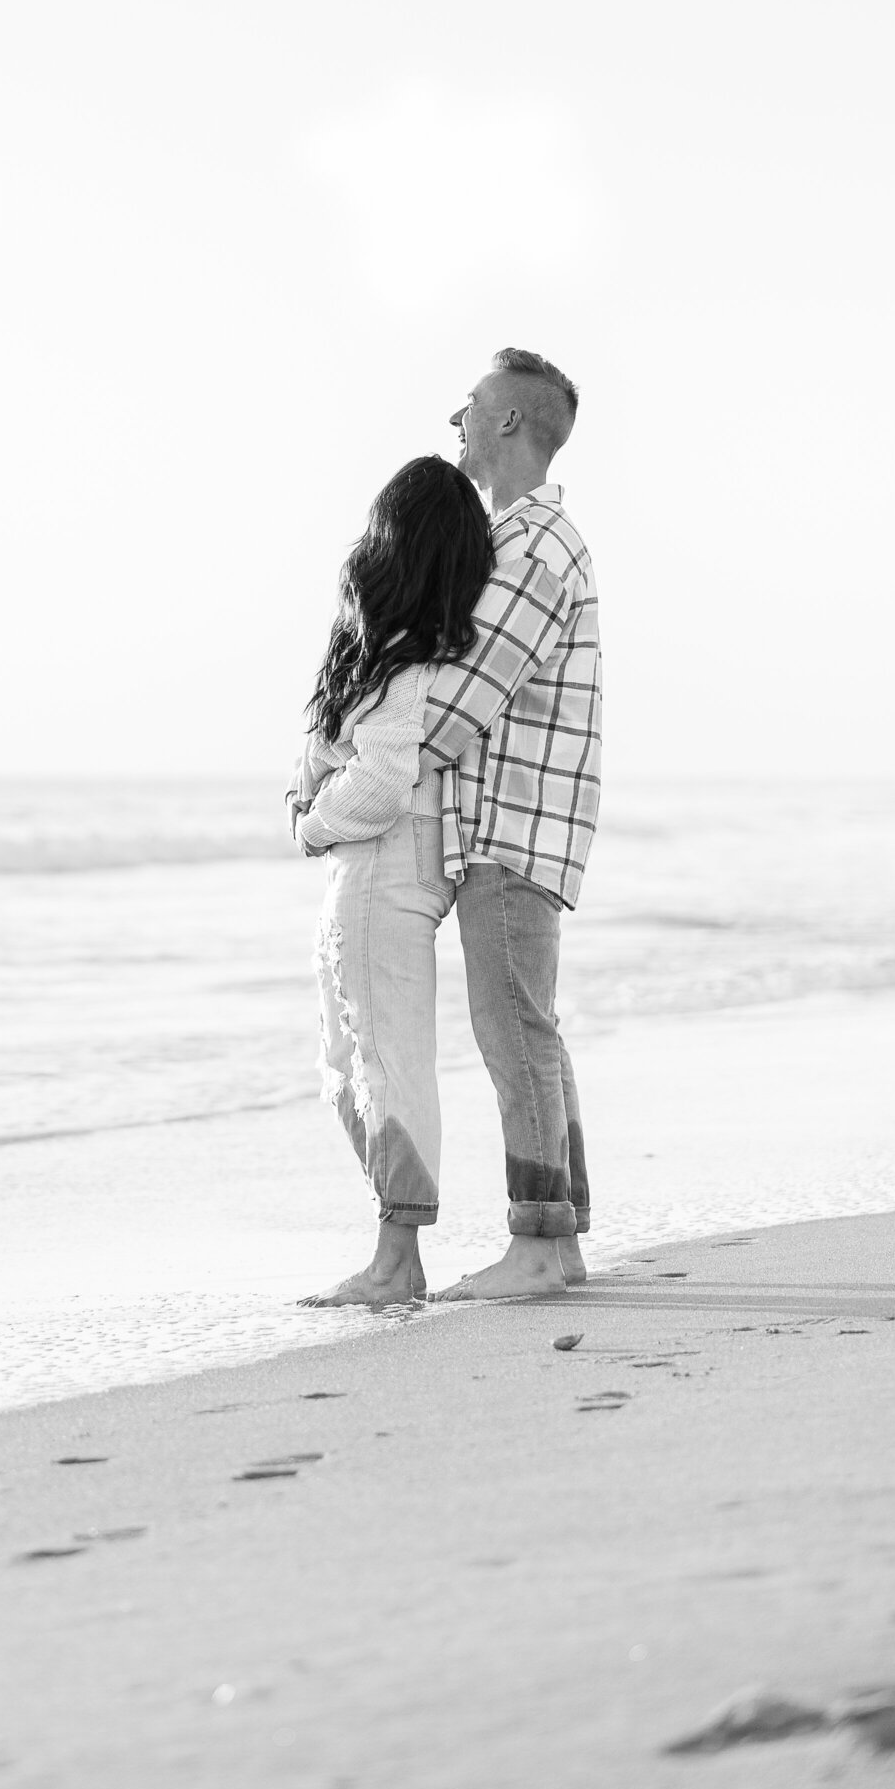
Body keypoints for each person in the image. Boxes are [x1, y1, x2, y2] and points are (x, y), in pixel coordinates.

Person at [288, 454, 494, 1306]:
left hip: (382, 863)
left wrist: (310, 819)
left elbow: (375, 788)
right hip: (377, 866)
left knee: (382, 1058)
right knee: (350, 1058)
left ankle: (396, 1257)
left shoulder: (407, 661)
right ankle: (394, 1244)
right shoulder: (404, 653)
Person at [428, 346, 602, 1298]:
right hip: (520, 829)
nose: (453, 421)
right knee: (531, 1028)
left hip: (508, 832)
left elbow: (463, 704)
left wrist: (354, 770)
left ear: (506, 422)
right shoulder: (528, 541)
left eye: (468, 406)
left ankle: (539, 1246)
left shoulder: (532, 545)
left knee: (515, 1034)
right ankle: (560, 1237)